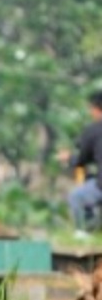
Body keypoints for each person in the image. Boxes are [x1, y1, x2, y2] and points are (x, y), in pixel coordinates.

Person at [64, 90, 102, 234]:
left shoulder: (94, 130)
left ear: (96, 109)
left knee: (77, 196)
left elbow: (82, 160)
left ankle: (84, 232)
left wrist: (69, 158)